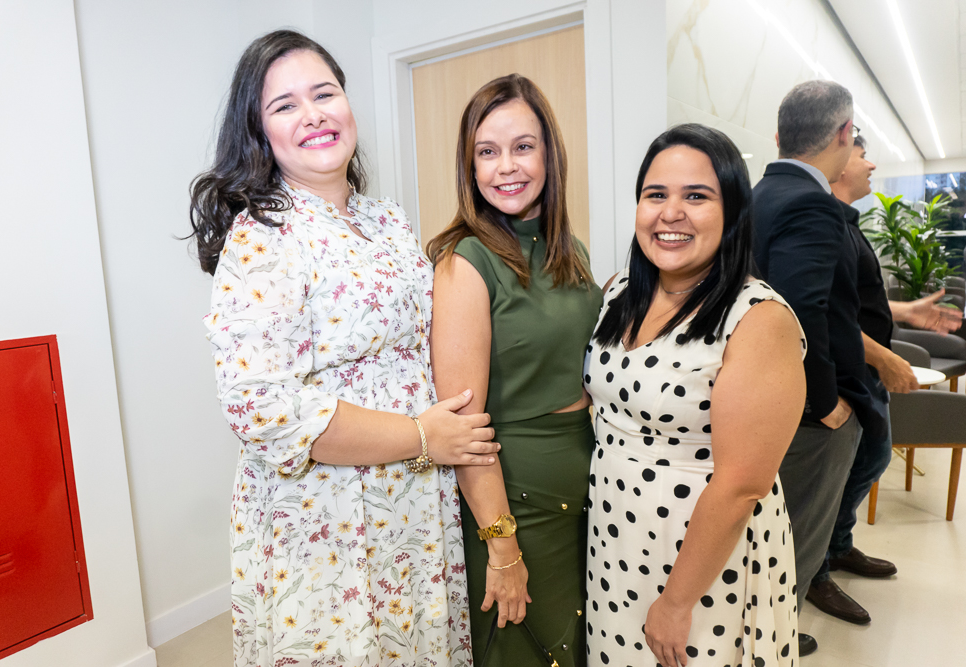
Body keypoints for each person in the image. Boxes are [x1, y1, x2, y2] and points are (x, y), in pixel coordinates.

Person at [191, 30, 500, 667]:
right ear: (260, 132)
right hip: (327, 515)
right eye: (285, 105)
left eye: (324, 93)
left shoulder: (387, 220)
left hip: (413, 504)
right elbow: (261, 407)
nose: (313, 114)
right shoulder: (263, 235)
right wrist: (422, 435)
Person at [584, 123, 807, 667]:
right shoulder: (620, 292)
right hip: (615, 540)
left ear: (733, 212)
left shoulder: (758, 319)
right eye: (655, 194)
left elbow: (741, 485)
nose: (670, 213)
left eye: (697, 197)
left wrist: (677, 602)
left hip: (701, 561)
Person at [428, 74, 603, 667]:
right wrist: (503, 550)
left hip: (587, 488)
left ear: (550, 154)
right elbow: (464, 430)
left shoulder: (570, 250)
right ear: (469, 166)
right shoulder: (465, 263)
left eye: (523, 147)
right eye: (487, 151)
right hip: (516, 504)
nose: (506, 166)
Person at [752, 80, 889, 657]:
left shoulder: (757, 194)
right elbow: (801, 310)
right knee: (801, 529)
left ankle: (762, 624)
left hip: (760, 392)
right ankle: (776, 633)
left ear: (779, 136)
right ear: (843, 134)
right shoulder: (811, 203)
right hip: (806, 409)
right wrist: (824, 401)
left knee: (774, 525)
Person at [806, 136, 964, 625]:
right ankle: (815, 569)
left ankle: (838, 545)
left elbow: (852, 303)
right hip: (844, 372)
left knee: (872, 457)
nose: (871, 163)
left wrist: (905, 311)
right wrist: (885, 358)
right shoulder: (823, 224)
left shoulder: (847, 224)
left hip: (861, 369)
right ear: (837, 162)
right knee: (846, 470)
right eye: (861, 154)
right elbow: (824, 314)